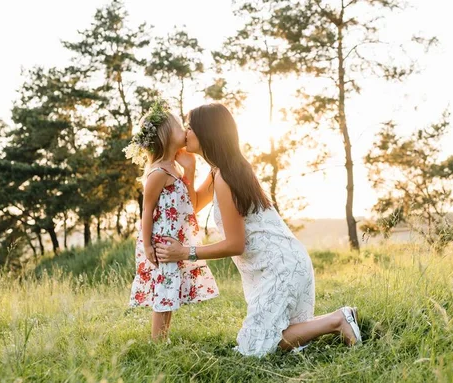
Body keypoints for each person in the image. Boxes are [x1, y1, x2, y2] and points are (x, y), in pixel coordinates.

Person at [155, 103, 361, 356]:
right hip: (283, 263)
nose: (185, 133)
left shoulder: (225, 178)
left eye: (190, 127)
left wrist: (185, 252)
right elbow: (194, 206)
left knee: (254, 348)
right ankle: (337, 319)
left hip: (281, 267)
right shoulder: (223, 169)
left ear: (206, 132)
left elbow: (235, 244)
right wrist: (190, 169)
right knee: (276, 337)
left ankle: (338, 319)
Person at [124, 100, 219, 341]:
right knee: (163, 292)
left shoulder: (175, 168)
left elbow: (190, 203)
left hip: (175, 240)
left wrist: (190, 169)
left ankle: (163, 338)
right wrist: (147, 246)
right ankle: (157, 342)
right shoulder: (158, 173)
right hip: (161, 243)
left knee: (170, 289)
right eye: (180, 128)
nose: (186, 132)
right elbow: (147, 212)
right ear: (166, 136)